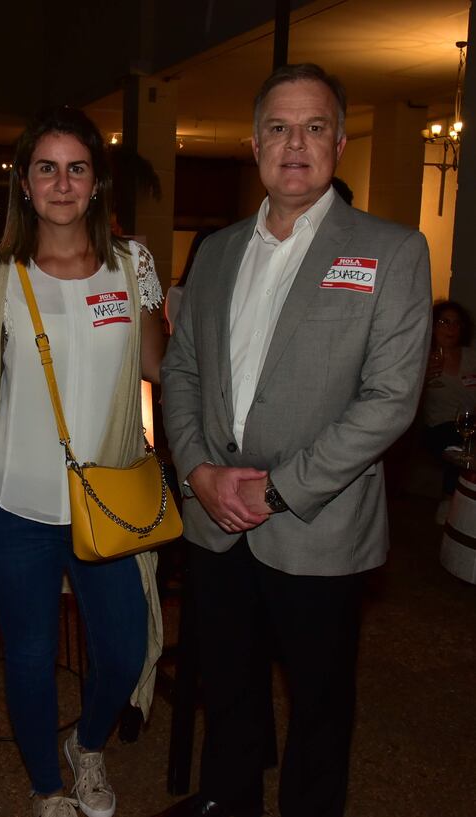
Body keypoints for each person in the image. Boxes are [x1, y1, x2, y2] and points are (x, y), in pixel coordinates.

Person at [161, 64, 431, 817]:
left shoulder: (390, 251)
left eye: (315, 127)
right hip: (215, 521)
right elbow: (181, 369)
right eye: (279, 127)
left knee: (318, 712)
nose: (296, 144)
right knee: (230, 693)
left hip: (316, 525)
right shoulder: (214, 252)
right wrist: (198, 470)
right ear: (254, 144)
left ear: (340, 142)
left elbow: (390, 401)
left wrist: (278, 488)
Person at [0, 106, 165, 817]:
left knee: (125, 646)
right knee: (29, 653)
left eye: (77, 168)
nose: (62, 183)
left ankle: (86, 746)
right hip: (17, 503)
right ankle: (45, 786)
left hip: (109, 502)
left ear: (96, 183)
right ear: (25, 185)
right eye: (46, 168)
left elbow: (161, 364)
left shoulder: (133, 265)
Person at [421, 300, 476, 523]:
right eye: (444, 322)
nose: (451, 328)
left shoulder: (471, 357)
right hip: (438, 426)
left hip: (471, 423)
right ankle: (448, 503)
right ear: (433, 326)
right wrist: (421, 380)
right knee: (458, 445)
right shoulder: (423, 356)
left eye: (456, 323)